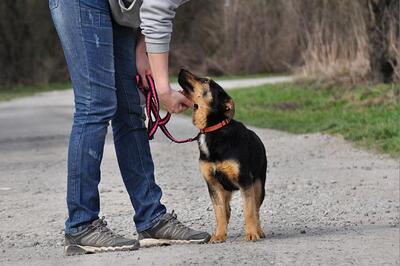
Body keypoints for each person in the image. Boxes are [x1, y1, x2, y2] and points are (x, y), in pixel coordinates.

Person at [49, 0, 210, 255]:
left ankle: (151, 218)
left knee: (130, 108)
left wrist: (142, 49)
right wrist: (163, 89)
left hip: (118, 8)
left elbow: (155, 8)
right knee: (96, 104)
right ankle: (81, 224)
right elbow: (159, 7)